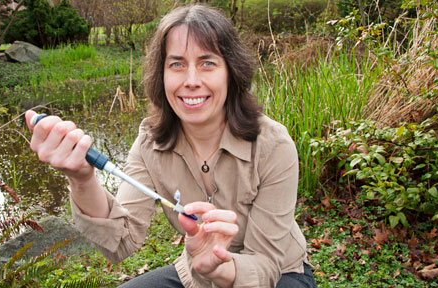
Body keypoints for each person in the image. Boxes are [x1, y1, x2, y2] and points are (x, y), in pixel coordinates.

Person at [25, 4, 316, 288]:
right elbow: (121, 242)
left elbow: (265, 267)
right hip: (197, 274)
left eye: (208, 63)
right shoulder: (149, 143)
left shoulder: (274, 145)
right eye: (177, 64)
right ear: (161, 74)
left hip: (279, 275)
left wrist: (221, 267)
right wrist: (81, 178)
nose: (191, 81)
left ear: (231, 71)